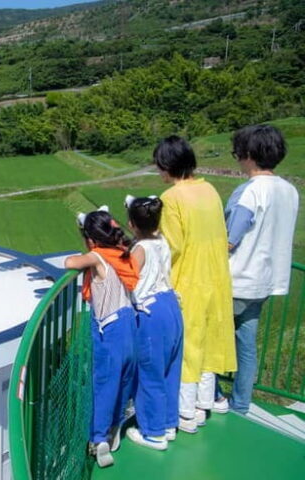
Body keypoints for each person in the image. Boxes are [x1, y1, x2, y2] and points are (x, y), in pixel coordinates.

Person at [155, 136, 236, 434]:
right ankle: (204, 403)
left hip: (188, 280)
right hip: (216, 278)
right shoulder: (209, 189)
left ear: (166, 165)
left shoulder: (172, 198)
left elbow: (171, 246)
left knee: (187, 349)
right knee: (209, 344)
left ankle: (186, 413)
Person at [218, 125, 299, 414]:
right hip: (265, 281)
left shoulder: (250, 191)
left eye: (237, 153)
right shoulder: (289, 190)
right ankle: (240, 403)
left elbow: (230, 240)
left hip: (237, 279)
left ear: (249, 154)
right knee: (246, 343)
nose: (237, 159)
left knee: (207, 336)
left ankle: (210, 396)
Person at [64, 208, 138, 467]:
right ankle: (116, 426)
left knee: (105, 383)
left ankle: (99, 438)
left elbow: (70, 263)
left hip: (111, 328)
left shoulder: (97, 257)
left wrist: (86, 246)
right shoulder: (122, 254)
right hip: (130, 324)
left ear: (92, 239)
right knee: (124, 380)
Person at [123, 195, 184, 449]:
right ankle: (168, 423)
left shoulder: (140, 250)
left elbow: (129, 281)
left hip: (151, 313)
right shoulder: (161, 241)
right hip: (171, 304)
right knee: (170, 368)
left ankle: (153, 432)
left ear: (132, 224)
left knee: (150, 373)